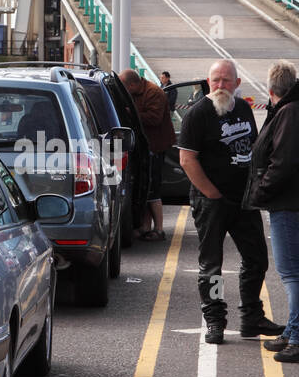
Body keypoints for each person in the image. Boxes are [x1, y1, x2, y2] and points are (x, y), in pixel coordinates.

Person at [179, 59, 283, 345]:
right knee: (211, 265)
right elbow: (187, 160)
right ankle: (214, 320)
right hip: (211, 202)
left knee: (257, 258)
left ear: (237, 84)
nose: (221, 86)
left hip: (244, 200)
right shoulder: (197, 114)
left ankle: (251, 317)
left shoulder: (244, 109)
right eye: (216, 80)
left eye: (226, 80)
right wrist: (211, 193)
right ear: (208, 83)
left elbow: (252, 148)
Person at [243, 60, 299, 363]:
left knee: (292, 272)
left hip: (288, 201)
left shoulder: (289, 113)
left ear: (271, 88)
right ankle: (293, 331)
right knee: (293, 270)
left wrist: (261, 190)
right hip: (296, 197)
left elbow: (284, 162)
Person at [119, 68, 175, 242]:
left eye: (126, 88)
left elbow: (154, 118)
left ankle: (158, 229)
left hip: (155, 146)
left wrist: (130, 114)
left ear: (133, 84)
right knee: (144, 188)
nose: (125, 92)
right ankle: (145, 228)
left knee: (153, 188)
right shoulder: (136, 92)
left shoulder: (154, 93)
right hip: (144, 147)